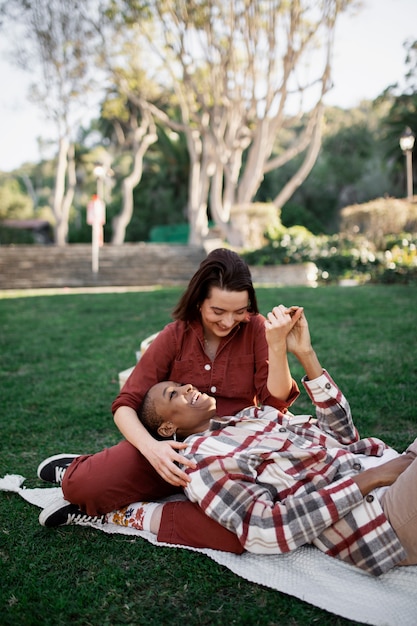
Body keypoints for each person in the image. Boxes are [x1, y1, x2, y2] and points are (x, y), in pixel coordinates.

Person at [100, 308, 417, 577]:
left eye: (182, 384)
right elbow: (263, 529)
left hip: (391, 467)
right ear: (168, 427)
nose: (187, 388)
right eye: (174, 394)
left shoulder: (254, 415)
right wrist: (372, 478)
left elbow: (345, 440)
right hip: (379, 515)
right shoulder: (200, 459)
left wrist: (305, 354)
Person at [37, 248, 300, 552]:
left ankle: (127, 514)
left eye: (239, 310)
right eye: (218, 311)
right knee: (78, 486)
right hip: (171, 448)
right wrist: (153, 450)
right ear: (199, 300)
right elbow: (125, 403)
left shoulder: (256, 329)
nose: (229, 321)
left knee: (241, 532)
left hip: (232, 454)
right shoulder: (175, 335)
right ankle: (79, 468)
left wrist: (277, 345)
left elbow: (275, 403)